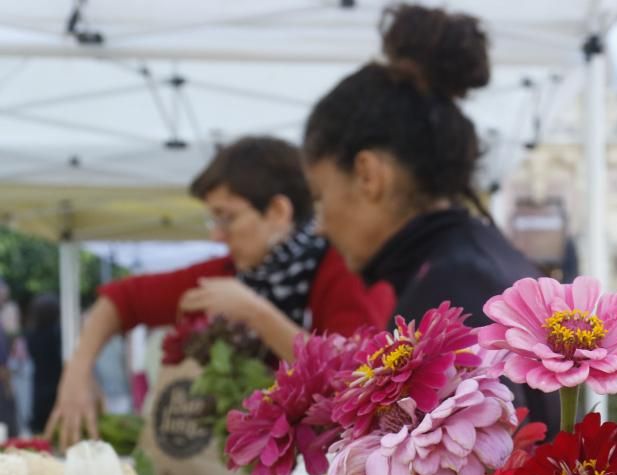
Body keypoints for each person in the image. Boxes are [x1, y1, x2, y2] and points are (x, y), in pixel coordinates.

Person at [303, 2, 552, 475]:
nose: (322, 223)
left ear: (368, 174)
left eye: (320, 194)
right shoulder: (485, 266)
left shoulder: (452, 295)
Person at [45, 136, 392, 446]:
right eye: (213, 220)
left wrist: (255, 313)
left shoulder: (344, 268)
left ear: (278, 211)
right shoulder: (233, 274)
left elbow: (351, 378)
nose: (216, 236)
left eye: (226, 218)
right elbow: (121, 300)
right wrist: (77, 371)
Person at [25, 294, 61, 436]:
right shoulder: (59, 333)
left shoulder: (31, 335)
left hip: (39, 383)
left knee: (40, 429)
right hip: (58, 382)